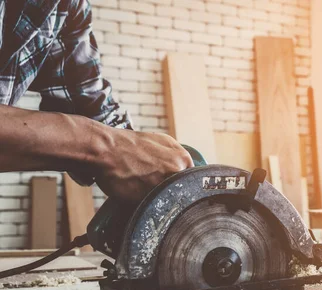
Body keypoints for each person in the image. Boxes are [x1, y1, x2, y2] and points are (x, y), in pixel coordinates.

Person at [0, 0, 193, 204]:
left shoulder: (67, 5)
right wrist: (106, 146)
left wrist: (144, 154)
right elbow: (111, 146)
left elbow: (91, 109)